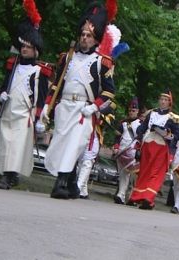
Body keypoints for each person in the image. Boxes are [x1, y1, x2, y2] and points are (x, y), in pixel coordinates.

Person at [42, 2, 117, 199]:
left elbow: (109, 93)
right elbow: (56, 85)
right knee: (62, 145)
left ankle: (59, 185)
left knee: (73, 145)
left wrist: (94, 107)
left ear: (96, 38)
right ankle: (73, 185)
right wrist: (46, 107)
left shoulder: (102, 63)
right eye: (83, 34)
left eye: (89, 35)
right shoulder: (66, 57)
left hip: (84, 109)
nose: (84, 38)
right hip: (64, 108)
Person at [0, 2, 52, 189]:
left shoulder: (40, 71)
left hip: (24, 113)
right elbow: (4, 86)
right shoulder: (13, 66)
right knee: (5, 144)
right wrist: (1, 94)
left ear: (36, 50)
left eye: (28, 47)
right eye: (23, 46)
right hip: (9, 110)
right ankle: (7, 173)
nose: (24, 49)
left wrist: (40, 117)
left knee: (17, 146)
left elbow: (41, 97)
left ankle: (8, 177)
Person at [127, 90, 179, 209]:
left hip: (161, 146)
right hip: (147, 143)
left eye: (166, 100)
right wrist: (138, 138)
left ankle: (148, 198)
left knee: (156, 173)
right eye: (161, 99)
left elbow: (176, 136)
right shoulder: (151, 113)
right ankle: (137, 196)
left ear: (169, 103)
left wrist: (167, 135)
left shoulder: (173, 118)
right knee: (144, 171)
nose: (163, 102)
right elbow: (143, 127)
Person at [113, 97, 141, 204]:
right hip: (122, 151)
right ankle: (121, 195)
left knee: (134, 177)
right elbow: (117, 137)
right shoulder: (123, 123)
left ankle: (132, 197)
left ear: (137, 111)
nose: (131, 112)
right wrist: (116, 147)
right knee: (123, 174)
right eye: (130, 110)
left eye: (133, 111)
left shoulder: (141, 124)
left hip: (134, 153)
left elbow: (141, 139)